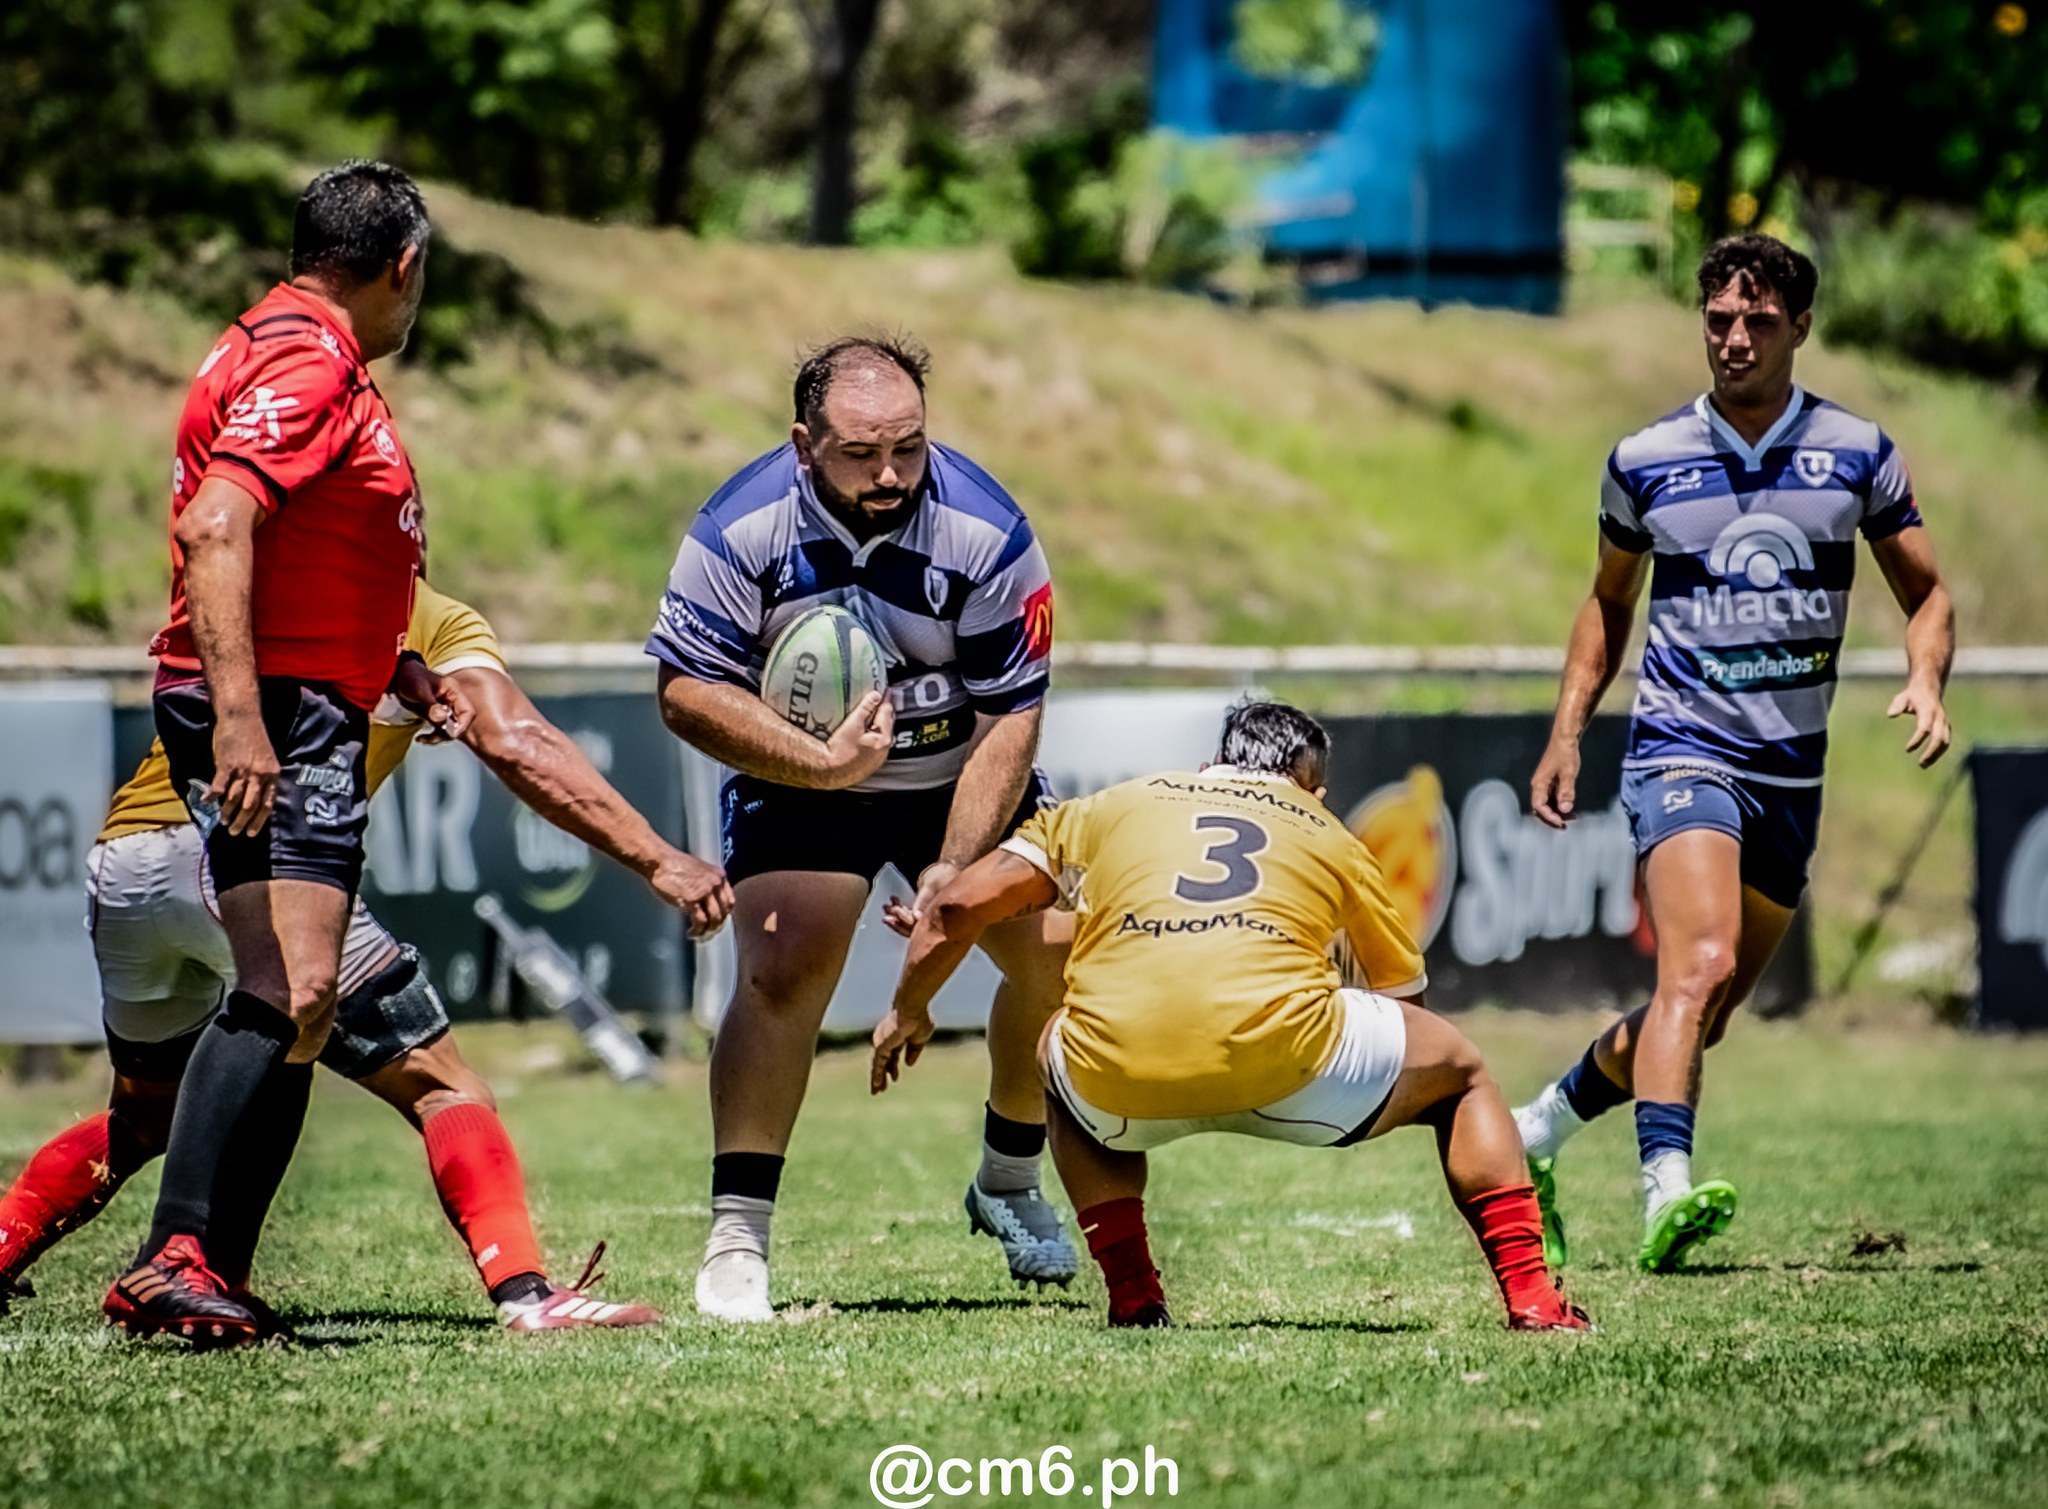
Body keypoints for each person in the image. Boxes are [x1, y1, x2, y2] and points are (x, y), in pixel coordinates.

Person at [0, 582, 732, 1333]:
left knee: (150, 1114)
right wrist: (656, 858)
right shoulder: (429, 616)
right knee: (442, 1082)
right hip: (235, 855)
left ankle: (19, 1244)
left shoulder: (269, 595)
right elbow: (516, 740)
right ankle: (527, 1293)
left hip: (123, 866)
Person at [1517, 234, 1956, 1274]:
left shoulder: (1854, 454)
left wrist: (1924, 675)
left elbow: (1925, 591)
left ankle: (1539, 1125)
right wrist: (1567, 730)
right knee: (1696, 963)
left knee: (1699, 1016)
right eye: (1717, 319)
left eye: (1758, 322)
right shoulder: (1643, 458)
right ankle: (1663, 1188)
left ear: (1799, 328)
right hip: (1680, 748)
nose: (1734, 339)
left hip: (1788, 778)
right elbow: (1606, 602)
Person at [871, 701, 1592, 1333]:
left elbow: (959, 905)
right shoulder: (1330, 831)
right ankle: (1533, 1297)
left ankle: (1134, 1295)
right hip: (1299, 1069)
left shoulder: (1113, 803)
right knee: (1461, 1074)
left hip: (1123, 1083)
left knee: (1062, 1051)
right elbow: (1403, 1006)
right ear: (1309, 784)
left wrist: (907, 1010)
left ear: (1212, 762)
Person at [98, 160, 469, 1346]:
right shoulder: (310, 359)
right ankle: (175, 1254)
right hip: (280, 709)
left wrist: (388, 661)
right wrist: (246, 714)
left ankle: (205, 1266)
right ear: (401, 265)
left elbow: (302, 536)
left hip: (313, 688)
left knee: (299, 1005)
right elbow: (220, 523)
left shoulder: (272, 342)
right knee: (293, 988)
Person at [649, 335, 1075, 1321]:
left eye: (907, 450)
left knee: (1056, 957)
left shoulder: (988, 532)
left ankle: (1007, 1179)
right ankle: (736, 1242)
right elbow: (682, 692)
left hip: (958, 779)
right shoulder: (736, 530)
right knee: (784, 967)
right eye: (858, 454)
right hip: (802, 781)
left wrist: (953, 872)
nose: (888, 476)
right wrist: (825, 765)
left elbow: (1014, 715)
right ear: (804, 445)